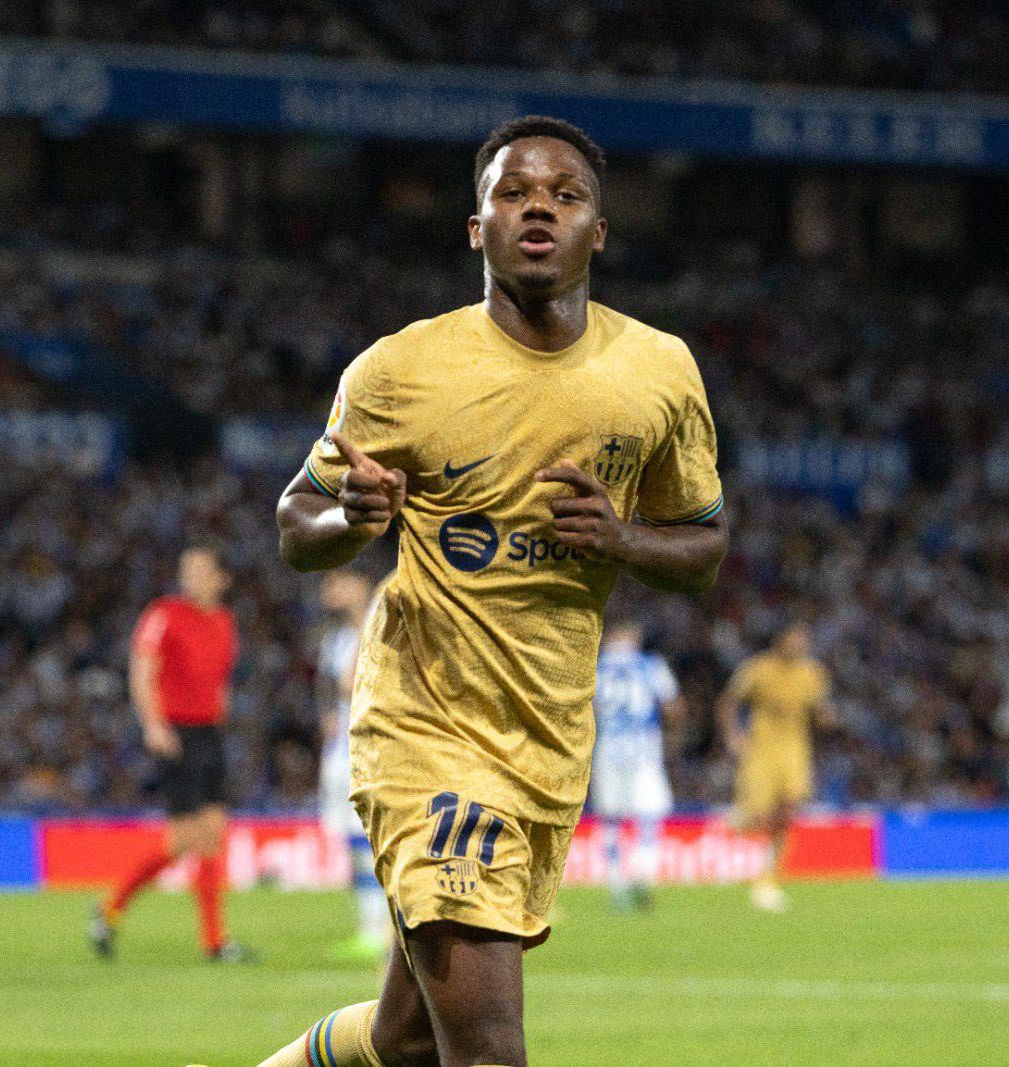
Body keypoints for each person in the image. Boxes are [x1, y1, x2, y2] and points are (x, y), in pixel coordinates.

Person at [261, 115, 726, 1067]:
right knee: (487, 1052)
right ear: (477, 228)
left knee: (406, 1040)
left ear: (601, 231)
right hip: (427, 728)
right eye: (514, 194)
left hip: (547, 743)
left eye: (565, 194)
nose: (539, 209)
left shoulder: (658, 373)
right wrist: (350, 518)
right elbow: (293, 525)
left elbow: (708, 543)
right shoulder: (401, 372)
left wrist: (624, 535)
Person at [90, 541, 253, 962]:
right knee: (184, 838)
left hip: (209, 734)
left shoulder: (224, 621)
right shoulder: (163, 614)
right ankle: (110, 908)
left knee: (213, 834)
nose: (190, 577)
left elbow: (221, 679)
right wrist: (153, 724)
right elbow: (143, 669)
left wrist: (221, 715)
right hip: (174, 731)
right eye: (187, 569)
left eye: (200, 570)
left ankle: (215, 941)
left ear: (222, 579)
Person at [717, 621, 833, 913]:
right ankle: (738, 822)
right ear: (780, 640)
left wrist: (827, 718)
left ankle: (768, 880)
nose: (800, 644)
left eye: (803, 639)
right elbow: (728, 702)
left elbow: (819, 712)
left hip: (795, 751)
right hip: (761, 750)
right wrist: (733, 736)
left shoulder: (812, 674)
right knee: (760, 816)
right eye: (794, 638)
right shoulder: (757, 669)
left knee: (788, 812)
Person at [317, 570, 391, 960]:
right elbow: (334, 690)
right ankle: (370, 925)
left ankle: (379, 928)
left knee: (368, 836)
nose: (330, 591)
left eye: (338, 583)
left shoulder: (381, 626)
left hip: (371, 747)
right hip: (341, 746)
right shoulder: (335, 638)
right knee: (351, 838)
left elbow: (356, 683)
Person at [589, 620, 683, 911]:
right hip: (643, 751)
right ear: (633, 636)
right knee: (648, 815)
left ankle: (616, 886)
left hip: (608, 750)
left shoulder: (597, 666)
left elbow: (586, 709)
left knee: (610, 819)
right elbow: (672, 707)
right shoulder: (650, 665)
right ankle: (643, 876)